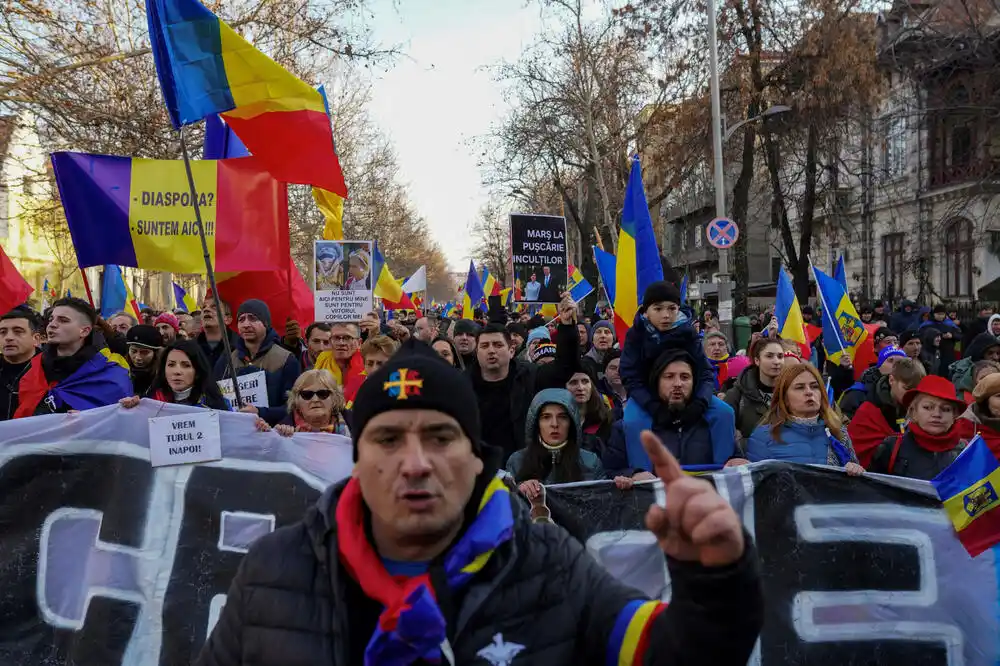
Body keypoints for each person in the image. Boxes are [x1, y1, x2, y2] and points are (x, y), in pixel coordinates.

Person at [194, 340, 764, 666]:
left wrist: (715, 579)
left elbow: (678, 656)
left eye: (440, 438)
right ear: (356, 457)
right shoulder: (273, 572)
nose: (415, 462)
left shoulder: (547, 562)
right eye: (388, 440)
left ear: (475, 457)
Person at [469, 294, 579, 463]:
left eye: (498, 345)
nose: (491, 350)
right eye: (484, 346)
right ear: (477, 352)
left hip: (526, 467)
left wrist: (567, 326)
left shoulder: (530, 375)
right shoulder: (462, 385)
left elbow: (564, 368)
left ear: (511, 350)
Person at [604, 349, 742, 477]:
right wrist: (632, 474)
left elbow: (733, 458)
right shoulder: (627, 427)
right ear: (656, 382)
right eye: (669, 377)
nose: (678, 384)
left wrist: (737, 461)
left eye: (685, 377)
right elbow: (610, 472)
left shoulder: (717, 422)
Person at [14, 298, 132, 417]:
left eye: (63, 320)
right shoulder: (34, 370)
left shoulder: (112, 375)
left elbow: (119, 424)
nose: (52, 325)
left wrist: (89, 420)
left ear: (84, 331)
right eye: (51, 319)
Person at [620, 281, 715, 426]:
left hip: (687, 396)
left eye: (672, 308)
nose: (666, 315)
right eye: (658, 309)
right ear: (646, 311)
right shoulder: (636, 334)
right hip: (647, 399)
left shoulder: (688, 333)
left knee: (724, 413)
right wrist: (652, 406)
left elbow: (705, 372)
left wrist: (700, 402)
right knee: (632, 422)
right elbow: (630, 375)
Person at [745, 364, 864, 475]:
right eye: (800, 388)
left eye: (814, 386)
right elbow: (757, 487)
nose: (809, 392)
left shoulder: (838, 432)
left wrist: (856, 470)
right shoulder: (764, 437)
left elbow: (858, 485)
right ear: (784, 398)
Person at [214, 299, 300, 425]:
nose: (246, 324)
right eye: (241, 319)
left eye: (253, 318)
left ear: (266, 323)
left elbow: (293, 408)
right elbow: (214, 400)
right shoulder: (227, 359)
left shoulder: (286, 359)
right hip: (235, 433)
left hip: (271, 436)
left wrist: (260, 412)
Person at [506, 387, 607, 492]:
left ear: (572, 422)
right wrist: (519, 490)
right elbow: (506, 504)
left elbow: (603, 502)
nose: (554, 424)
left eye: (562, 417)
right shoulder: (517, 461)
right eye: (546, 417)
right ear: (536, 423)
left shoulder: (591, 462)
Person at [868, 375, 967, 479]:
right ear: (913, 412)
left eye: (946, 409)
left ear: (954, 416)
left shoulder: (966, 452)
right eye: (928, 407)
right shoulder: (892, 447)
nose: (937, 414)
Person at [847, 357, 925, 467]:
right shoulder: (868, 411)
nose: (912, 396)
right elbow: (855, 452)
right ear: (891, 380)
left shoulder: (922, 408)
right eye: (907, 388)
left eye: (917, 390)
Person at [122, 340, 230, 410]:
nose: (177, 371)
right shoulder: (150, 403)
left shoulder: (216, 405)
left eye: (186, 365)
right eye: (171, 365)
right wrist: (132, 408)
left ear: (197, 371)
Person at [724, 337, 785, 441]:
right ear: (757, 360)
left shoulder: (791, 391)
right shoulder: (737, 394)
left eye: (780, 356)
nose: (776, 361)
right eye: (769, 356)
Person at [259, 369, 350, 437]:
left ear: (335, 398)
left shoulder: (355, 424)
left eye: (323, 393)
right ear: (296, 401)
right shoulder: (281, 432)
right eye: (307, 394)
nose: (315, 399)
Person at [838, 345, 907, 420]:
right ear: (880, 366)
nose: (895, 366)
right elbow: (845, 424)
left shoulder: (911, 391)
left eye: (901, 362)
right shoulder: (858, 392)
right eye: (890, 360)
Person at [0, 308, 41, 421]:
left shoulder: (50, 371)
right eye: (2, 332)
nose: (8, 337)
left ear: (36, 339)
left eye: (18, 331)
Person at [343, 335, 399, 405]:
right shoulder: (355, 384)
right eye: (370, 364)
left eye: (380, 364)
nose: (374, 369)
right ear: (364, 364)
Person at [566, 369, 613, 448]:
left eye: (585, 381)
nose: (580, 388)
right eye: (573, 382)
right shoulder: (558, 422)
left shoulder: (607, 420)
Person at [314, 322, 365, 390]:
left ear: (359, 343)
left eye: (347, 338)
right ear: (329, 342)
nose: (341, 343)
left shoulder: (368, 365)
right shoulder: (322, 361)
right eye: (336, 338)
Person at [949, 332, 1000, 397]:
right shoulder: (961, 372)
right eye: (990, 353)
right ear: (979, 353)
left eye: (998, 353)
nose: (996, 357)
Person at [196, 296, 239, 370]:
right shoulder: (191, 349)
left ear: (227, 319)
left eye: (214, 307)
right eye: (203, 307)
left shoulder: (241, 348)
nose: (206, 309)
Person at [125, 324, 163, 397]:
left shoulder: (163, 377)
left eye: (144, 352)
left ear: (156, 353)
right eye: (134, 351)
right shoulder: (120, 372)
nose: (138, 357)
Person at [601, 350, 627, 419]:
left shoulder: (637, 394)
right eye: (613, 368)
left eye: (622, 368)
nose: (618, 372)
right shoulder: (598, 396)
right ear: (604, 372)